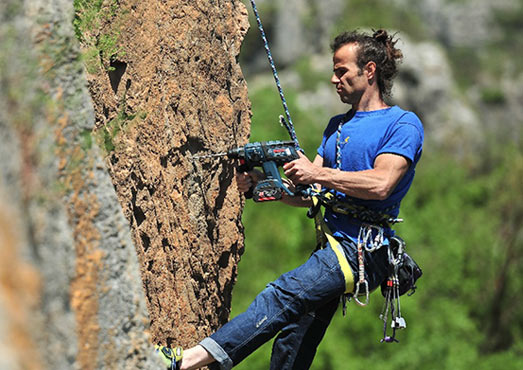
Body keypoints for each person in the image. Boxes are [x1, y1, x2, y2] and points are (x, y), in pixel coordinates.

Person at [155, 29, 424, 370]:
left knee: (282, 295)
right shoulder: (336, 127)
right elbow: (311, 194)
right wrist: (262, 185)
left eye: (341, 71)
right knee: (295, 334)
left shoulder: (402, 124)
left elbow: (382, 183)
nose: (333, 79)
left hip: (364, 250)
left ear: (369, 70)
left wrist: (317, 174)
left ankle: (185, 361)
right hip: (332, 246)